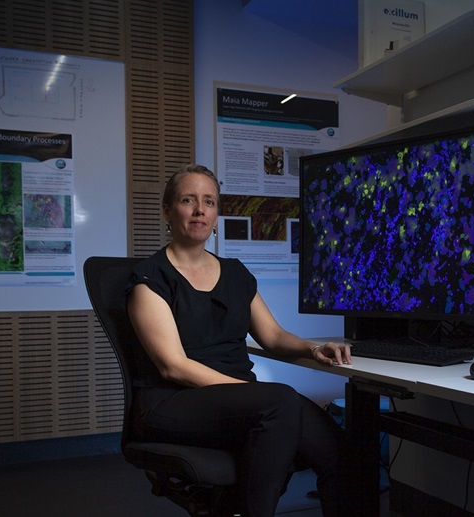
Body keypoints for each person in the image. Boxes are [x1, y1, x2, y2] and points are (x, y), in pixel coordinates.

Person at [125, 164, 354, 516]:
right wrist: (247, 392)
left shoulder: (235, 273)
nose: (200, 210)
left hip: (243, 401)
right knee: (279, 402)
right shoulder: (150, 280)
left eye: (210, 202)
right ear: (168, 211)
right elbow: (174, 367)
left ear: (217, 214)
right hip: (171, 403)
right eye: (188, 200)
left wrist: (312, 348)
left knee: (339, 449)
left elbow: (273, 336)